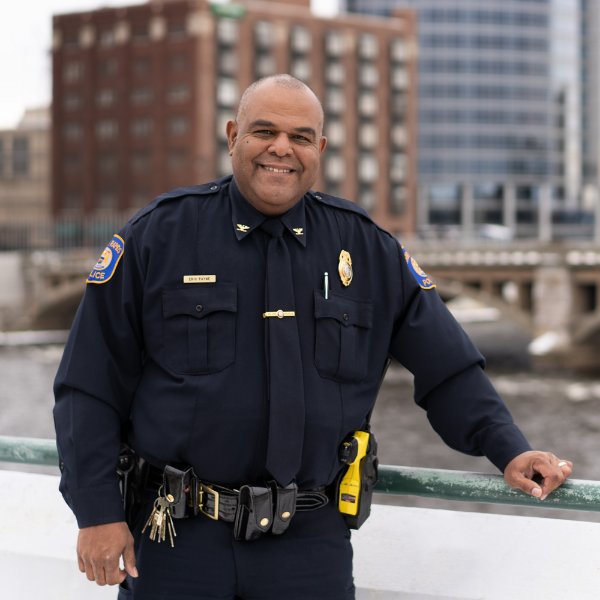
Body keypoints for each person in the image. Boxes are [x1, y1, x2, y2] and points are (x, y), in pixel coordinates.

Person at [53, 74, 572, 600]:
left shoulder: (367, 250)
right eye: (264, 132)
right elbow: (88, 384)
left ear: (319, 149)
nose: (282, 148)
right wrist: (96, 510)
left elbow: (448, 370)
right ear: (232, 136)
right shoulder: (158, 236)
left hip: (307, 542)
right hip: (175, 540)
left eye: (300, 136)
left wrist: (510, 450)